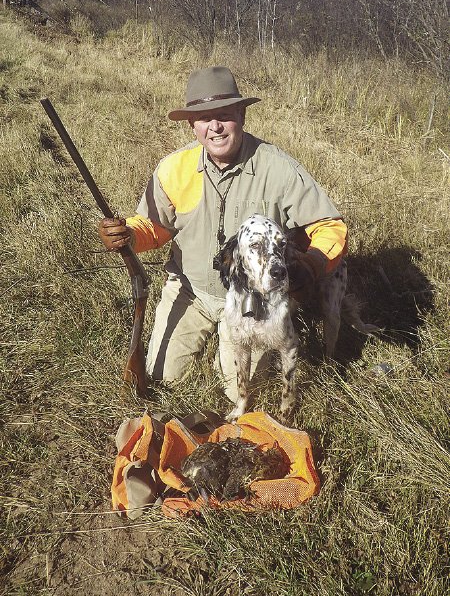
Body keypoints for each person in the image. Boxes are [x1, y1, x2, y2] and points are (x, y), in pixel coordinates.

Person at [98, 66, 348, 401]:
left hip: (254, 300)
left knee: (242, 395)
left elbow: (330, 226)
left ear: (242, 114)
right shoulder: (174, 168)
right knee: (163, 379)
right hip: (191, 291)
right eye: (204, 119)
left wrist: (314, 265)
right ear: (192, 125)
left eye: (224, 115)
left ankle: (231, 358)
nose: (214, 127)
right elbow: (155, 227)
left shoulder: (278, 168)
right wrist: (127, 233)